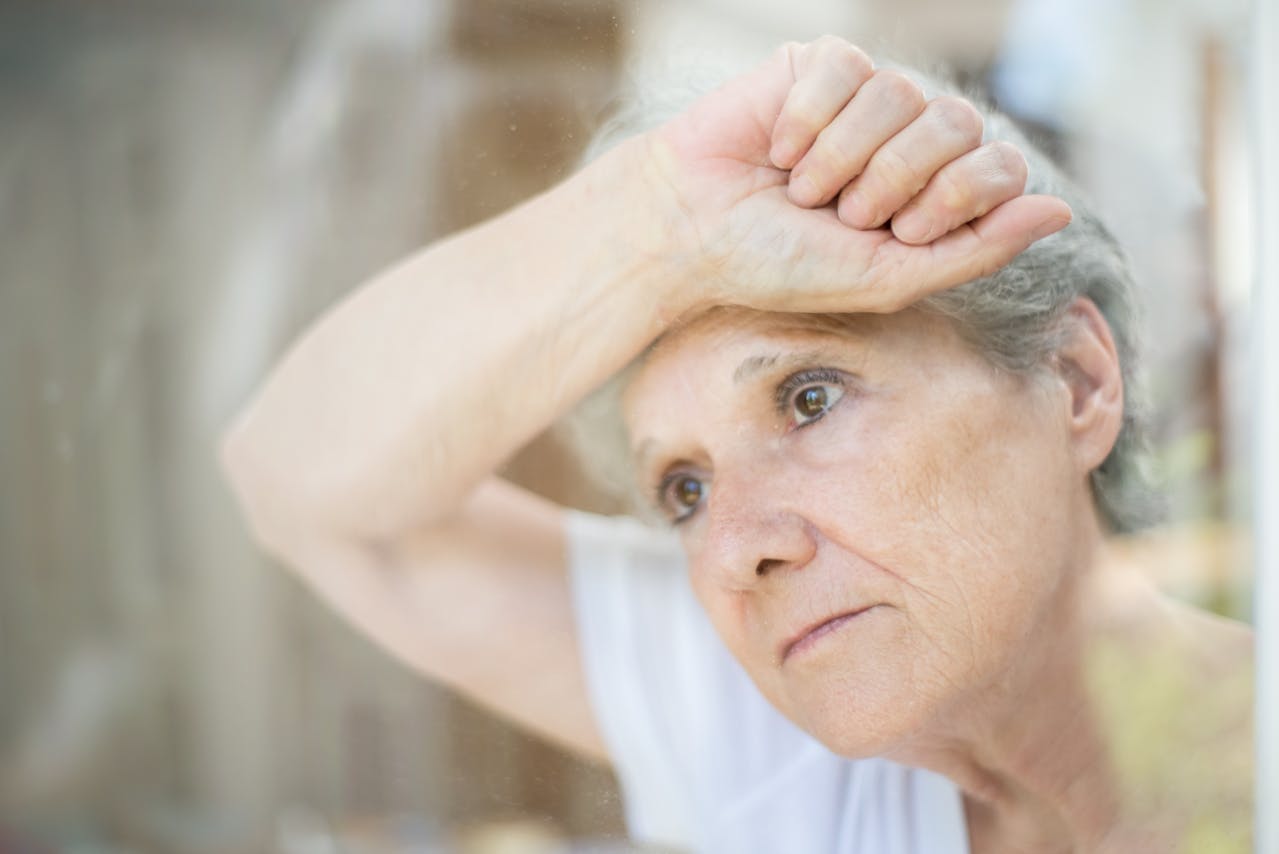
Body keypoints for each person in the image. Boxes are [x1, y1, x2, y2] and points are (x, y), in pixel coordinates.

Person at [219, 37, 1253, 853]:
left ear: (1076, 381)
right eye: (683, 487)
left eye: (808, 397)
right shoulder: (780, 741)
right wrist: (653, 222)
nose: (730, 552)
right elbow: (289, 477)